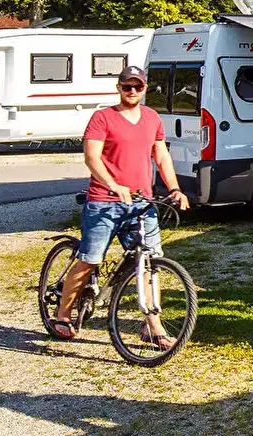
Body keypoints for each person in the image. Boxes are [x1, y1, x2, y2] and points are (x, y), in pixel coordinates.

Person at [50, 66, 188, 342]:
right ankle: (62, 314)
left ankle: (153, 326)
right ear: (119, 88)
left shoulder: (152, 118)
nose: (132, 91)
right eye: (127, 86)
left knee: (149, 263)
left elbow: (161, 155)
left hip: (141, 204)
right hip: (104, 203)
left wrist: (174, 188)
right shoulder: (103, 118)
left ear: (145, 88)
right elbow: (92, 157)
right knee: (90, 259)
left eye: (138, 86)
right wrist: (113, 185)